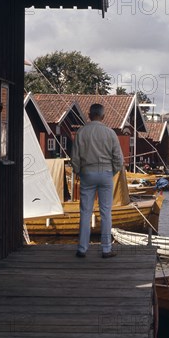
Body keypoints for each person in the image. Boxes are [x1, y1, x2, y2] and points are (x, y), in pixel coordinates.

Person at [71, 103, 124, 259]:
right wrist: (112, 171)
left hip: (87, 172)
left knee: (85, 212)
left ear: (89, 115)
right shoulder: (110, 133)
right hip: (106, 172)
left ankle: (82, 248)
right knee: (106, 212)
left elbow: (75, 157)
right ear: (103, 116)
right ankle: (106, 249)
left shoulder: (82, 132)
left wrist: (79, 171)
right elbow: (118, 159)